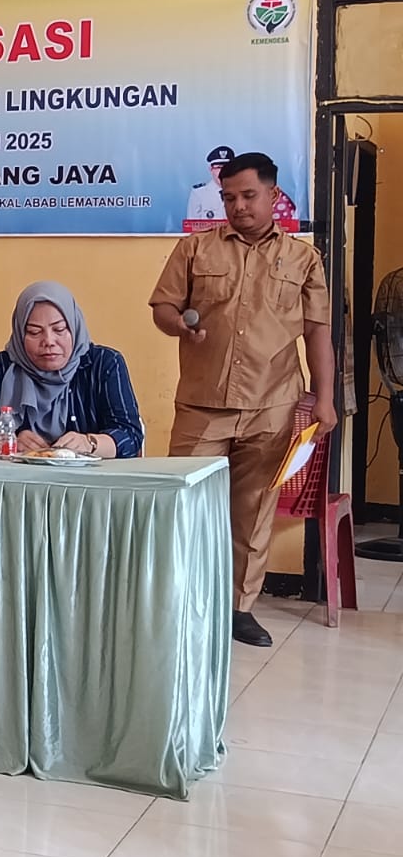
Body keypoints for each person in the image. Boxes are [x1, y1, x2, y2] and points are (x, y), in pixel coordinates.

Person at [150, 151, 335, 648]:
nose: (238, 206)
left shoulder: (304, 260)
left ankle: (239, 609)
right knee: (182, 503)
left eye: (249, 196)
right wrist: (179, 325)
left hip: (272, 404)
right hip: (202, 404)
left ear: (273, 195)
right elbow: (163, 307)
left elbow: (318, 332)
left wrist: (325, 398)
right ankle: (178, 602)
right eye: (229, 197)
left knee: (253, 510)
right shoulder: (195, 249)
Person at [0, 281, 143, 458]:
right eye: (34, 332)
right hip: (16, 476)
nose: (48, 341)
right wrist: (8, 442)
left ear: (74, 327)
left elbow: (130, 435)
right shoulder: (1, 366)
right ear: (20, 333)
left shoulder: (104, 364)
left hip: (88, 478)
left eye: (59, 329)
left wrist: (90, 443)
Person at [185, 145, 234, 224]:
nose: (223, 171)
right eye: (219, 167)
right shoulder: (199, 193)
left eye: (227, 167)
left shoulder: (241, 191)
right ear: (211, 169)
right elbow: (192, 227)